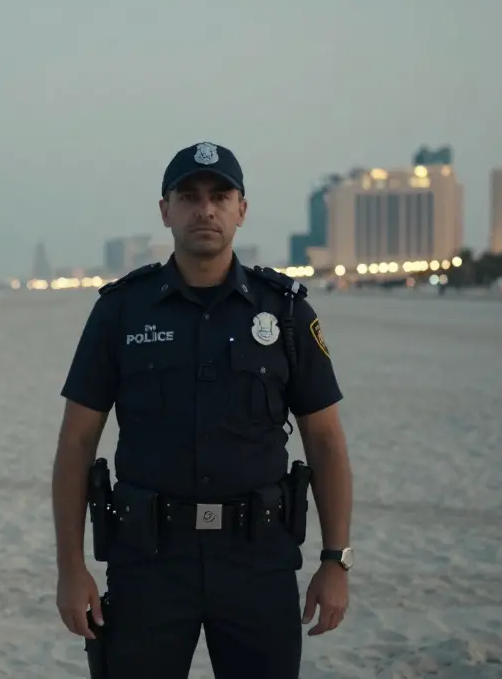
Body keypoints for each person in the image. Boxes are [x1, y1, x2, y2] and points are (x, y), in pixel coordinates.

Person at [51, 141, 355, 678]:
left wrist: (335, 561)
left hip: (258, 561)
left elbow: (326, 442)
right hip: (147, 562)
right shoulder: (121, 311)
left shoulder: (284, 313)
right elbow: (76, 443)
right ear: (165, 210)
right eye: (188, 196)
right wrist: (70, 567)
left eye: (220, 195)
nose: (205, 209)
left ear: (242, 209)